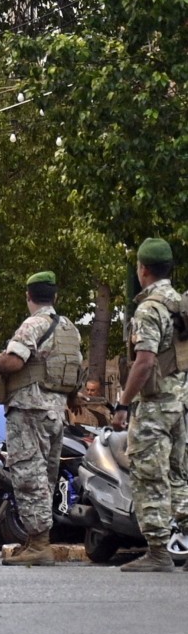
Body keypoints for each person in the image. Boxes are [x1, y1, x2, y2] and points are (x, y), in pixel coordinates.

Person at [0, 271, 83, 566]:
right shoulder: (69, 329)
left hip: (29, 410)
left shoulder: (33, 324)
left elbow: (14, 361)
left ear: (29, 296)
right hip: (56, 411)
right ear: (55, 297)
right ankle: (35, 540)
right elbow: (73, 369)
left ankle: (39, 544)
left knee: (28, 475)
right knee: (47, 477)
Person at [111, 237, 188, 572]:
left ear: (142, 270)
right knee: (177, 476)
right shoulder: (180, 303)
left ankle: (158, 552)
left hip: (155, 406)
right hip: (179, 402)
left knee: (149, 476)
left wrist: (123, 403)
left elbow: (144, 361)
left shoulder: (150, 308)